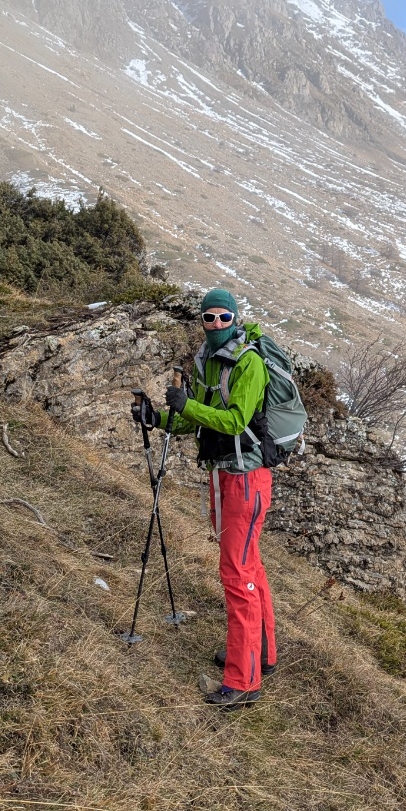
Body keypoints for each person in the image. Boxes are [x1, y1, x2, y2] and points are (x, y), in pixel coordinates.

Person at [132, 287, 278, 710]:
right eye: (208, 318)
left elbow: (234, 423)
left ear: (235, 318)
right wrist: (157, 416)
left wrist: (188, 407)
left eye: (223, 318)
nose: (215, 325)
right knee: (249, 566)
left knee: (238, 575)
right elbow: (195, 424)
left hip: (246, 479)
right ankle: (260, 656)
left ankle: (243, 681)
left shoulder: (248, 363)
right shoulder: (209, 361)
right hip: (226, 478)